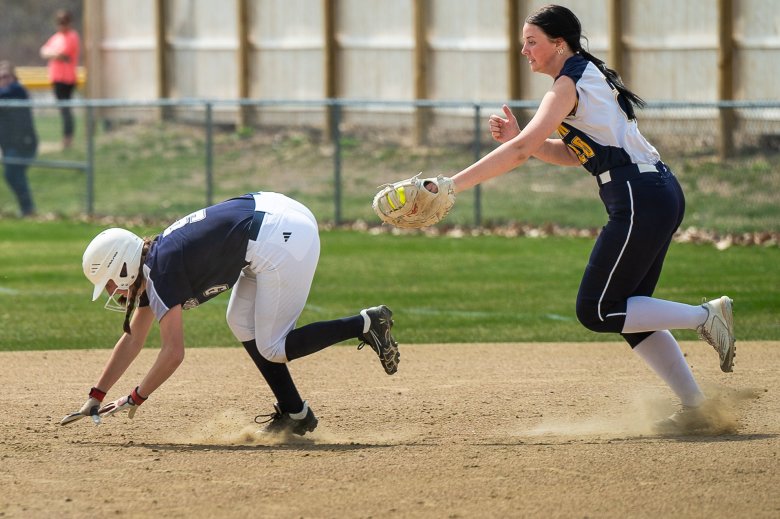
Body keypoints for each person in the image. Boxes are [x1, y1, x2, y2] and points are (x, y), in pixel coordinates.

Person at [402, 4, 735, 433]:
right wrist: (524, 139)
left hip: (640, 197)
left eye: (532, 42)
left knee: (597, 310)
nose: (525, 50)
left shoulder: (567, 84)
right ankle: (697, 408)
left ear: (559, 44)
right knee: (632, 313)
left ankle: (704, 316)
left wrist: (450, 184)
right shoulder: (582, 75)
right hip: (652, 192)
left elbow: (519, 153)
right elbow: (573, 153)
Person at [61, 191, 400, 436]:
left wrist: (136, 397)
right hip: (273, 218)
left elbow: (173, 353)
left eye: (109, 283)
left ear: (122, 266)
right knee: (239, 321)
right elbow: (133, 339)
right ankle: (295, 413)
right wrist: (96, 396)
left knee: (274, 347)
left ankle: (366, 323)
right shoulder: (155, 261)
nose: (113, 292)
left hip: (279, 235)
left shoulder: (159, 272)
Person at [0, 61, 38, 217]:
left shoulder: (17, 90)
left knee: (13, 173)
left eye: (5, 76)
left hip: (23, 143)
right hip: (9, 143)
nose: (3, 80)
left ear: (13, 77)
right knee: (13, 175)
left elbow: (7, 92)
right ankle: (27, 209)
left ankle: (28, 208)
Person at [40, 9, 80, 149]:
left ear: (69, 22)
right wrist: (52, 53)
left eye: (64, 22)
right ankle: (66, 137)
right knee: (63, 110)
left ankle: (68, 139)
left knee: (66, 109)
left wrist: (51, 53)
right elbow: (43, 51)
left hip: (67, 79)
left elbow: (61, 54)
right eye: (59, 22)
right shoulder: (56, 37)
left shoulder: (72, 36)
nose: (62, 25)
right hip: (56, 78)